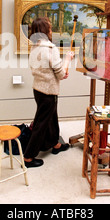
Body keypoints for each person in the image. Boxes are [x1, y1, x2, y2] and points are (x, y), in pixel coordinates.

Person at [23, 17, 74, 168]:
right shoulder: (50, 48)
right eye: (50, 28)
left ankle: (55, 144)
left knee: (51, 117)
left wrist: (61, 71)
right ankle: (28, 157)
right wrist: (67, 59)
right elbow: (60, 74)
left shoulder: (34, 47)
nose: (51, 31)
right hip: (48, 92)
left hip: (38, 89)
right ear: (45, 31)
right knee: (41, 123)